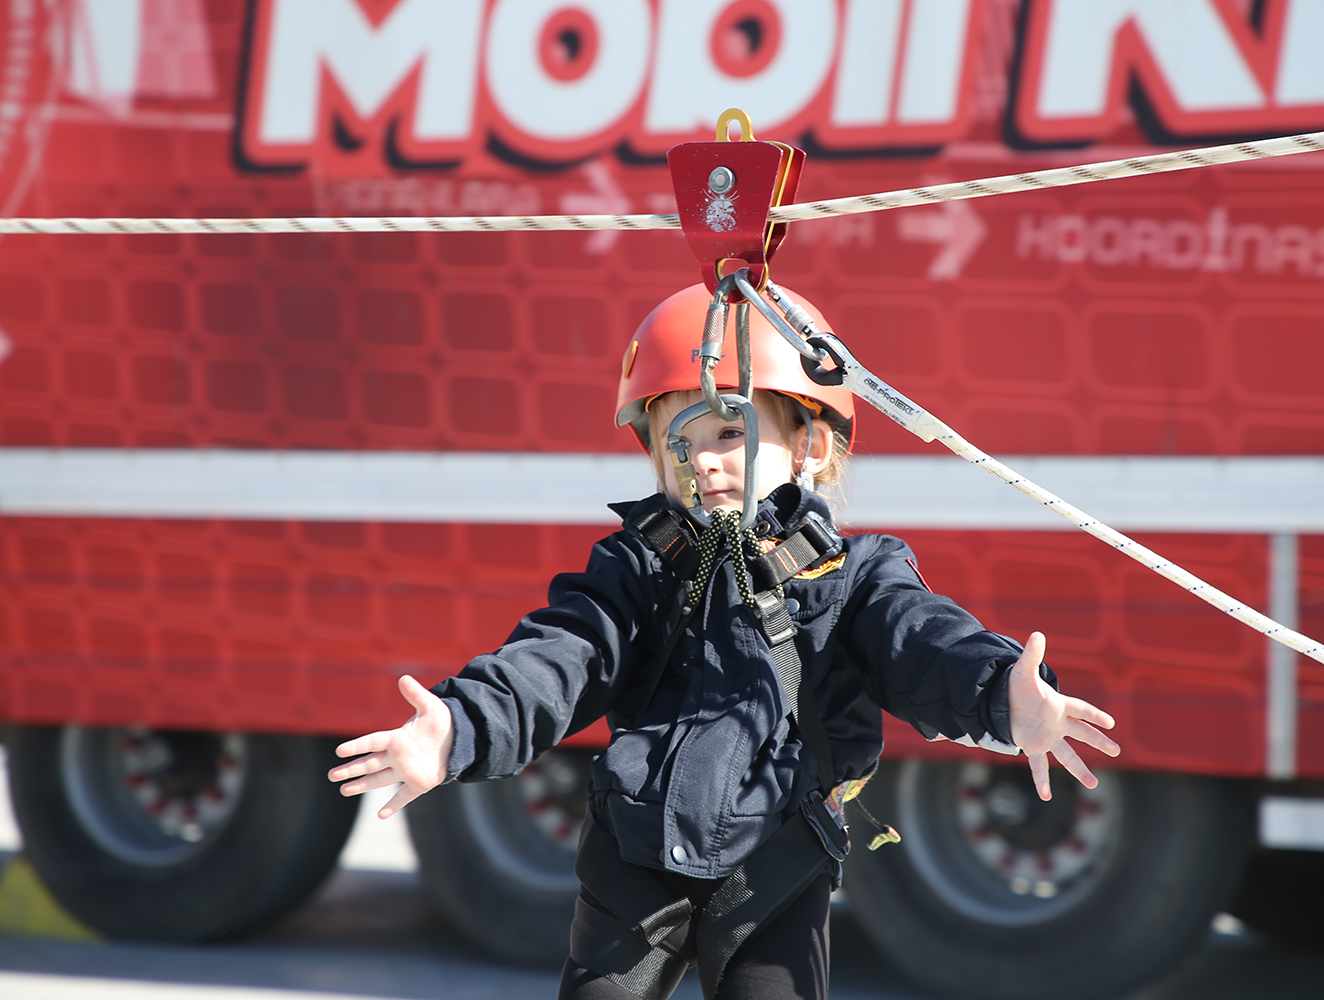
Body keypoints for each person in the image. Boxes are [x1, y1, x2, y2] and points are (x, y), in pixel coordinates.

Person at [328, 283, 1121, 1000]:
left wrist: (1000, 692)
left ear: (810, 446)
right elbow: (559, 657)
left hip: (776, 857)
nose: (701, 461)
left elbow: (922, 640)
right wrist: (460, 727)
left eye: (728, 432)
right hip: (633, 852)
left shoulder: (857, 575)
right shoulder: (636, 566)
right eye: (679, 441)